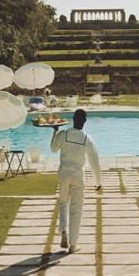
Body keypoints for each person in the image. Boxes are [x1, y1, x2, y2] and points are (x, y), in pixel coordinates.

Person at [46, 108, 101, 253]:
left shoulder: (63, 135)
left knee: (63, 203)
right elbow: (95, 162)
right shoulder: (87, 139)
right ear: (85, 121)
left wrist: (55, 132)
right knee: (76, 210)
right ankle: (73, 245)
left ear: (72, 119)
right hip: (78, 176)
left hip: (64, 174)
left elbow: (53, 149)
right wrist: (98, 182)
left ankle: (63, 230)